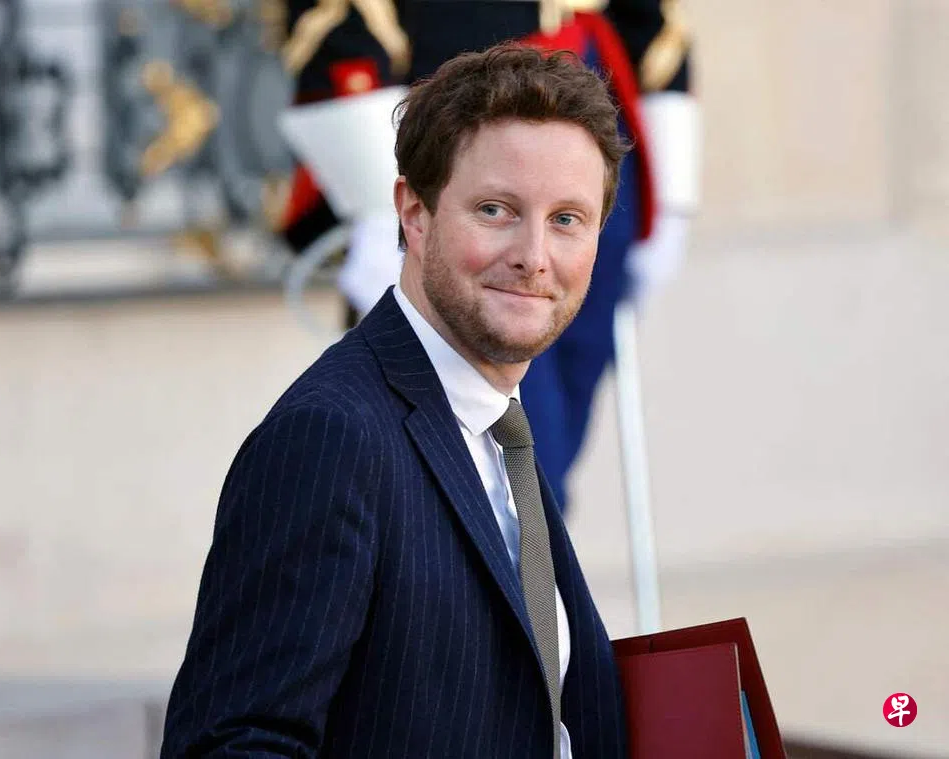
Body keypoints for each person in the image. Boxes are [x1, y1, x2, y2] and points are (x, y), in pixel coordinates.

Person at [160, 44, 630, 759]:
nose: (534, 256)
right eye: (496, 210)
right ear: (414, 213)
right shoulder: (330, 438)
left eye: (567, 219)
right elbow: (233, 744)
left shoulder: (499, 429)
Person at [284, 0, 699, 514]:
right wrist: (371, 188)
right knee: (490, 451)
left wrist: (671, 181)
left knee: (554, 437)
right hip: (462, 109)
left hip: (597, 95)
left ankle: (527, 556)